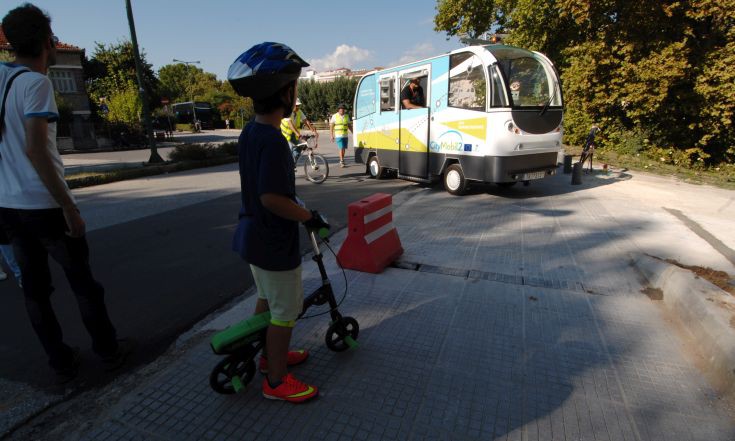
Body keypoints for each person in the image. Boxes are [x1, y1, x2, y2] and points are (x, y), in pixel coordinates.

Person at [0, 4, 129, 383]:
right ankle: (108, 351)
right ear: (46, 43)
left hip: (8, 208)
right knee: (84, 284)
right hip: (43, 206)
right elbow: (36, 149)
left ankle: (60, 362)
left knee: (35, 293)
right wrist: (68, 206)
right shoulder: (35, 83)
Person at [228, 41, 328, 403]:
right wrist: (308, 217)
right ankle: (275, 380)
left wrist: (294, 203)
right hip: (273, 243)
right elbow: (272, 198)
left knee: (267, 300)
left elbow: (262, 191)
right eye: (295, 87)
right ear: (286, 93)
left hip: (253, 237)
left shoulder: (251, 133)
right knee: (286, 313)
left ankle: (271, 354)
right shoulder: (273, 141)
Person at [281, 98, 317, 162]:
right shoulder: (288, 111)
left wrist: (313, 130)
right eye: (296, 105)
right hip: (284, 134)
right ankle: (286, 163)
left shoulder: (299, 111)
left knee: (301, 146)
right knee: (290, 147)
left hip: (293, 134)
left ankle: (293, 162)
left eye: (298, 105)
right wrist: (298, 134)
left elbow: (305, 121)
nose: (297, 107)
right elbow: (290, 124)